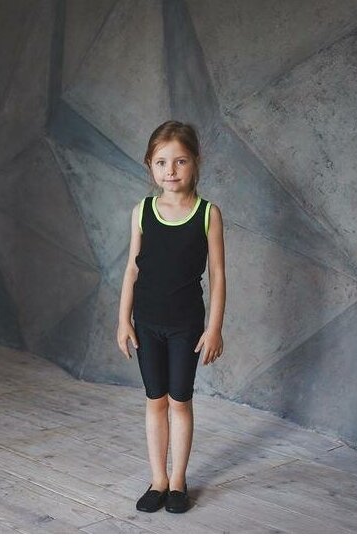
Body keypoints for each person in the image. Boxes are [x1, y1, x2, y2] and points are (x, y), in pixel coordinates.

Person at [117, 120, 226, 514]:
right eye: (161, 162)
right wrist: (123, 320)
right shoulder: (143, 211)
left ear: (195, 162)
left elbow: (218, 274)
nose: (171, 170)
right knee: (155, 400)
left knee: (179, 401)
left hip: (186, 327)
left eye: (180, 161)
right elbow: (132, 268)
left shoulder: (208, 214)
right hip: (146, 324)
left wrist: (214, 328)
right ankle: (158, 479)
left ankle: (178, 480)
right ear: (150, 165)